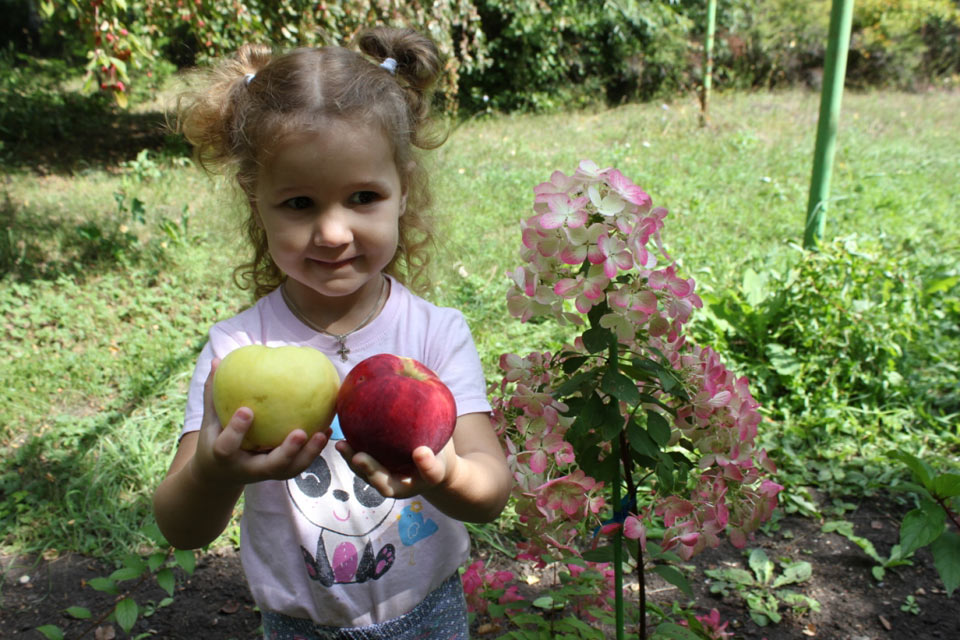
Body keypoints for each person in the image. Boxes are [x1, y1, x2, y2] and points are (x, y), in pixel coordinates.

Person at [152, 27, 513, 640]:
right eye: (298, 204)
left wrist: (445, 474)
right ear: (255, 198)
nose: (333, 232)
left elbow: (492, 491)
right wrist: (216, 473)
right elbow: (181, 528)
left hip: (428, 612)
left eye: (363, 197)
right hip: (299, 624)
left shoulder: (433, 334)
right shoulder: (237, 349)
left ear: (403, 191)